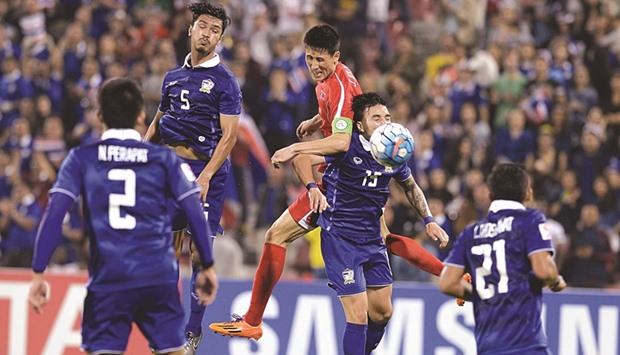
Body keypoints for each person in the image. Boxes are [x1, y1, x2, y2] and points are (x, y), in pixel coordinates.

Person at [209, 25, 449, 341]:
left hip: (355, 180)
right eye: (309, 58)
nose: (314, 66)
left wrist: (296, 147)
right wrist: (315, 122)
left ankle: (443, 278)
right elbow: (339, 122)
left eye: (320, 60)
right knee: (276, 235)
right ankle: (252, 321)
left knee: (378, 301)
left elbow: (341, 141)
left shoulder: (341, 86)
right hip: (336, 180)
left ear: (336, 57)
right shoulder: (326, 83)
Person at [28, 78, 218, 355]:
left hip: (109, 277)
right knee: (173, 350)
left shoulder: (81, 158)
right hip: (158, 276)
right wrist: (208, 265)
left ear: (100, 116)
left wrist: (38, 272)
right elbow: (195, 210)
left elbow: (55, 214)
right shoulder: (164, 160)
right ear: (141, 116)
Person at [292, 92, 449, 354]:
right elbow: (302, 158)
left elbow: (411, 187)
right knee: (358, 313)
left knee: (382, 312)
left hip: (372, 240)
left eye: (387, 117)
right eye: (376, 118)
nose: (384, 123)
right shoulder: (344, 146)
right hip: (340, 238)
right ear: (361, 125)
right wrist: (312, 187)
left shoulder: (392, 153)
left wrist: (429, 220)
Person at [143, 3, 241, 353]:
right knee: (166, 251)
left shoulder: (226, 82)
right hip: (170, 168)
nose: (207, 33)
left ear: (220, 38)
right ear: (191, 29)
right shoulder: (173, 77)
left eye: (215, 30)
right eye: (202, 26)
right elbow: (158, 121)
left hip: (205, 172)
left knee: (199, 254)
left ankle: (192, 331)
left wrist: (207, 177)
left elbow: (229, 137)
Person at [439, 163, 567, 354]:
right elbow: (544, 271)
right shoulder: (530, 219)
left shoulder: (471, 233)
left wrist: (484, 293)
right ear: (528, 194)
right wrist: (556, 280)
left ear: (490, 196)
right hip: (525, 346)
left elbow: (447, 283)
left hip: (488, 348)